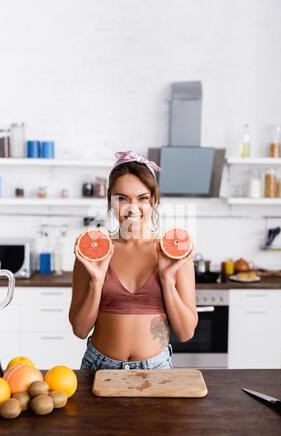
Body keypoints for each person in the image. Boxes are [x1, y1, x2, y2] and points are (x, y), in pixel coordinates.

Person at [69, 151, 198, 370]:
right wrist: (96, 283)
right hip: (99, 367)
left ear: (154, 200)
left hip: (156, 369)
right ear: (110, 200)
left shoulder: (174, 253)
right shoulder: (93, 253)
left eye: (142, 198)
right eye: (122, 198)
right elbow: (80, 330)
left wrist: (167, 280)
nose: (132, 208)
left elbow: (185, 332)